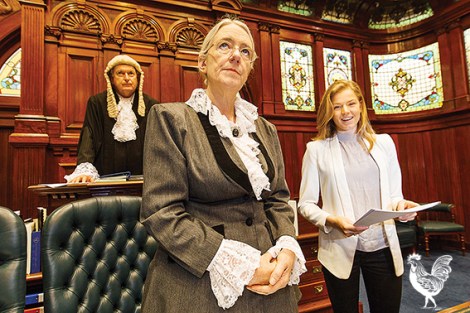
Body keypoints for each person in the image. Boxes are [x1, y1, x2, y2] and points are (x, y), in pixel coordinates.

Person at [140, 16, 306, 312]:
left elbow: (278, 198)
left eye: (245, 51)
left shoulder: (265, 129)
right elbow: (162, 213)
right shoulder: (171, 119)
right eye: (225, 46)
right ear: (203, 62)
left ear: (250, 68)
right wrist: (240, 264)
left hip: (271, 280)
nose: (235, 56)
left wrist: (287, 247)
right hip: (200, 282)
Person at [298, 80, 418, 313]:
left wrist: (402, 207)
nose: (346, 112)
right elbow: (305, 204)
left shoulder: (384, 143)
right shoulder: (316, 150)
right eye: (337, 106)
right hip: (340, 246)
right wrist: (332, 220)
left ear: (361, 105)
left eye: (351, 103)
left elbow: (394, 196)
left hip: (382, 245)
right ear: (329, 112)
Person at [65, 54, 157, 183]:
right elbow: (89, 136)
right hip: (106, 176)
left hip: (142, 178)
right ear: (112, 79)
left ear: (138, 78)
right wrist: (85, 169)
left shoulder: (151, 105)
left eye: (131, 74)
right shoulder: (97, 103)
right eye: (120, 73)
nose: (126, 78)